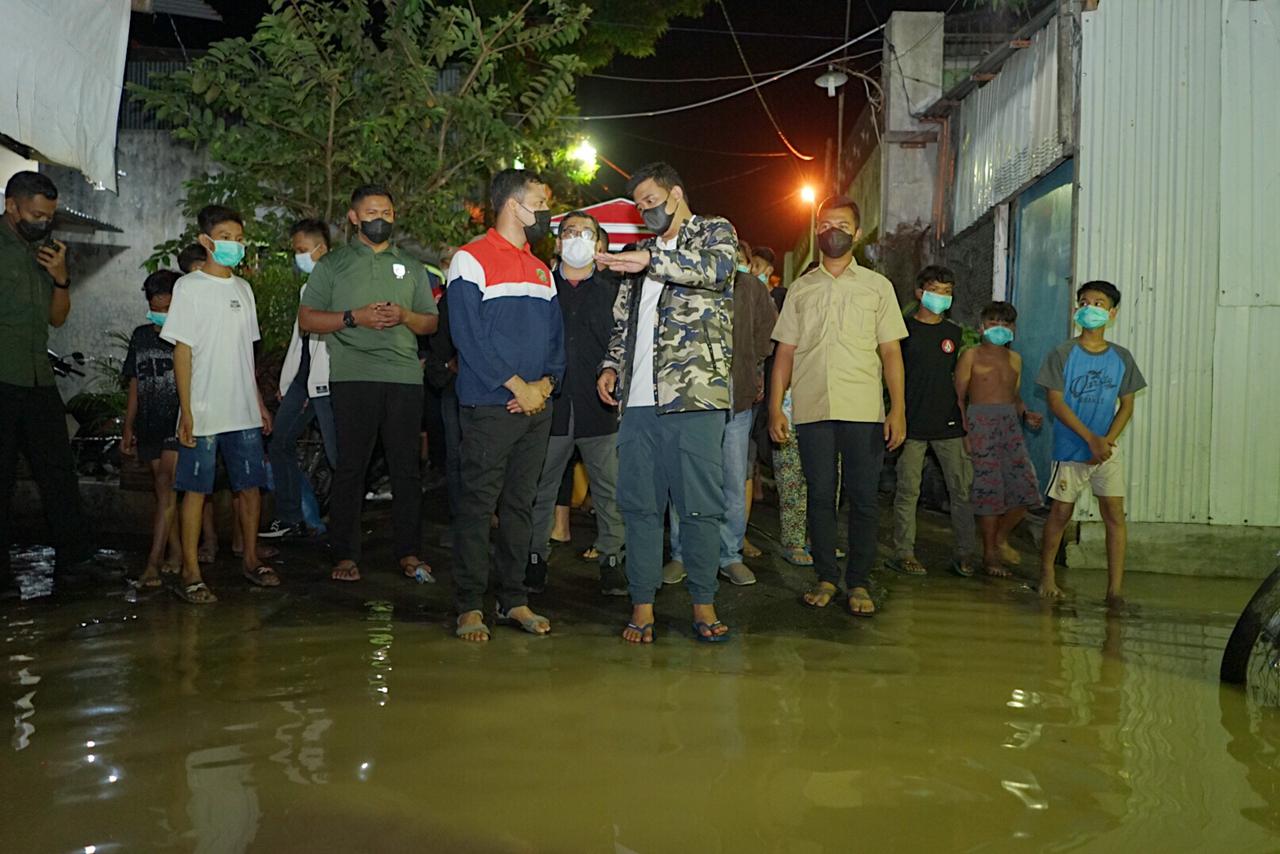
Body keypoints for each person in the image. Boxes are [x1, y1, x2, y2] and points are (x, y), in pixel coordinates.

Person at [595, 161, 736, 644]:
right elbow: (622, 327)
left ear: (676, 194)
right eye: (640, 206)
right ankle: (642, 605)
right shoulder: (640, 255)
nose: (646, 210)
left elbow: (716, 272)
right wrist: (611, 367)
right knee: (638, 507)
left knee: (700, 506)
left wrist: (649, 262)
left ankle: (703, 602)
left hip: (695, 397)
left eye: (652, 201)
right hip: (637, 404)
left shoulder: (713, 233)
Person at [768, 195, 907, 618]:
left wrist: (897, 409)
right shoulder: (801, 290)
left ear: (857, 233)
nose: (834, 231)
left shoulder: (877, 287)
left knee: (864, 498)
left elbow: (891, 354)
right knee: (820, 496)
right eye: (826, 224)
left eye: (843, 225)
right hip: (811, 409)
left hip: (863, 409)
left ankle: (859, 580)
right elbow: (785, 354)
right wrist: (776, 407)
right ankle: (827, 576)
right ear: (817, 230)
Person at [298, 185, 439, 583]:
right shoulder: (334, 265)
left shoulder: (411, 267)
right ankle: (345, 554)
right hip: (353, 377)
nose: (381, 218)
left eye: (388, 212)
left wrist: (405, 316)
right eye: (372, 211)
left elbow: (431, 322)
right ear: (354, 217)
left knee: (406, 470)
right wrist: (352, 318)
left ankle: (409, 552)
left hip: (404, 378)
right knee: (350, 468)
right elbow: (307, 319)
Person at [447, 168, 564, 642]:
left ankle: (514, 599)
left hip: (536, 407)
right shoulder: (470, 259)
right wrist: (518, 387)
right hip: (492, 406)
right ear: (514, 204)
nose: (545, 213)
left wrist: (545, 387)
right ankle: (469, 606)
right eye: (539, 202)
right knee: (478, 506)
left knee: (521, 505)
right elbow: (468, 338)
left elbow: (557, 339)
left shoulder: (541, 268)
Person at [163, 204, 278, 603]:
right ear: (206, 240)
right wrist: (187, 411)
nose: (234, 245)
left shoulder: (243, 291)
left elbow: (248, 353)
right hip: (204, 409)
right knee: (196, 490)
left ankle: (250, 559)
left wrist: (260, 403)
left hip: (243, 408)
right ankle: (191, 572)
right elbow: (182, 352)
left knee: (250, 487)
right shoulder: (189, 287)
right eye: (226, 237)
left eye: (239, 238)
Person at [524, 210, 626, 597]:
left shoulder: (615, 290)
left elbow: (624, 342)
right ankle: (534, 559)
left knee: (609, 490)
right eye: (569, 232)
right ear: (558, 240)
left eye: (585, 233)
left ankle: (612, 560)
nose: (576, 238)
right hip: (550, 406)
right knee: (539, 488)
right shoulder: (541, 287)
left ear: (599, 244)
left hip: (600, 406)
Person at [0, 171, 92, 583]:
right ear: (11, 206)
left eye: (48, 216)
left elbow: (58, 318)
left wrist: (61, 277)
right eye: (36, 214)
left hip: (38, 379)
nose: (42, 222)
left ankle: (75, 560)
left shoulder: (49, 249)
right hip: (2, 377)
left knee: (58, 472)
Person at [667, 243, 776, 587]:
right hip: (694, 400)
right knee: (688, 478)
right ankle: (682, 553)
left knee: (732, 479)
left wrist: (751, 366)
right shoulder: (687, 284)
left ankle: (729, 554)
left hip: (736, 401)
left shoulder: (752, 289)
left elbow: (767, 335)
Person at [1035, 281, 1146, 602]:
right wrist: (1090, 440)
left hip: (1106, 450)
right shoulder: (1062, 354)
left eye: (1098, 303)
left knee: (1115, 515)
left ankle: (1114, 590)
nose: (1090, 308)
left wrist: (1106, 442)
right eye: (1084, 302)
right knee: (1060, 513)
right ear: (1076, 310)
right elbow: (1056, 402)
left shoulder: (1121, 357)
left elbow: (1126, 405)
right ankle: (1046, 573)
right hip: (1071, 448)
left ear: (1112, 313)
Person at [891, 265, 978, 577]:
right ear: (919, 292)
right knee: (907, 491)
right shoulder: (902, 331)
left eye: (947, 291)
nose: (941, 297)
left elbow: (960, 383)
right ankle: (904, 553)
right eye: (935, 290)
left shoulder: (954, 333)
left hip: (948, 424)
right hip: (911, 423)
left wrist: (965, 421)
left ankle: (965, 554)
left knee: (961, 490)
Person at [954, 302, 1044, 577]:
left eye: (1006, 324)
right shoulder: (971, 355)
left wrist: (1026, 413)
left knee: (1026, 488)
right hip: (980, 425)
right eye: (994, 323)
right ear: (982, 326)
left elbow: (1014, 395)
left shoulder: (1015, 359)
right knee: (988, 490)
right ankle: (990, 554)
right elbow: (958, 398)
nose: (1000, 329)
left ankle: (999, 539)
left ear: (1014, 329)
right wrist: (965, 433)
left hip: (1009, 426)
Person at [261, 219, 337, 539]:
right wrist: (288, 382)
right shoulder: (308, 287)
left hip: (328, 382)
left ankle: (342, 526)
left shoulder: (339, 284)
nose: (299, 257)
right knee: (280, 442)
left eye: (303, 250)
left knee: (338, 456)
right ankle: (290, 517)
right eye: (296, 251)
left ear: (322, 249)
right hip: (303, 379)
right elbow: (300, 341)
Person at [121, 270, 183, 587]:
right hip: (149, 423)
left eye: (167, 306)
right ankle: (175, 553)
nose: (160, 312)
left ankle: (153, 562)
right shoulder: (141, 336)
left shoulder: (187, 335)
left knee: (165, 481)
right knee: (163, 491)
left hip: (176, 420)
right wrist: (128, 426)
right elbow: (135, 382)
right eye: (156, 306)